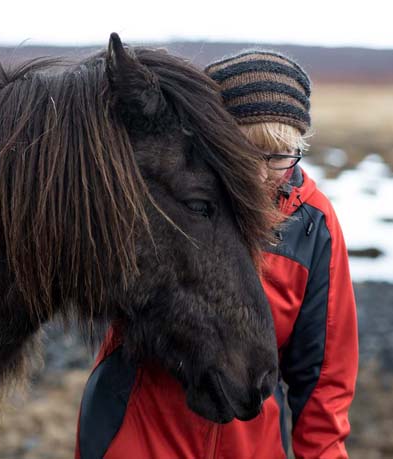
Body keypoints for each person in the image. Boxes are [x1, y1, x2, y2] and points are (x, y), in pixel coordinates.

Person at [75, 49, 359, 459]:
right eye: (246, 153)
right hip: (139, 435)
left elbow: (324, 380)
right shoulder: (164, 200)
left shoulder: (313, 224)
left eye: (279, 156)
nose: (262, 175)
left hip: (252, 444)